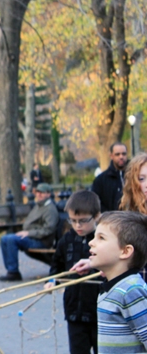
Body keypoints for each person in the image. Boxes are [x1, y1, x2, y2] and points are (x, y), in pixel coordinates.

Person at [44, 190, 101, 354]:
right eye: (73, 220)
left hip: (99, 311)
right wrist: (51, 281)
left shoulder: (102, 240)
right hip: (74, 310)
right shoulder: (66, 240)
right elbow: (57, 266)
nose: (77, 226)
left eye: (83, 221)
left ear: (96, 216)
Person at [84, 211, 147, 352]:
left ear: (125, 251)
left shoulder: (131, 291)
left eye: (101, 238)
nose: (91, 242)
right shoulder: (114, 288)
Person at [0, 183, 60, 281]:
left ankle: (13, 272)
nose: (39, 194)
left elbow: (48, 229)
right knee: (4, 239)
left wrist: (28, 233)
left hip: (41, 241)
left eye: (42, 192)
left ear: (48, 194)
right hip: (32, 237)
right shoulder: (39, 206)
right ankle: (10, 270)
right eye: (38, 192)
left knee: (11, 239)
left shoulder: (50, 209)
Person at [92, 143, 129, 212]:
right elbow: (96, 202)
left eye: (124, 154)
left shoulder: (135, 176)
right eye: (117, 154)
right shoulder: (101, 180)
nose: (121, 157)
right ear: (111, 156)